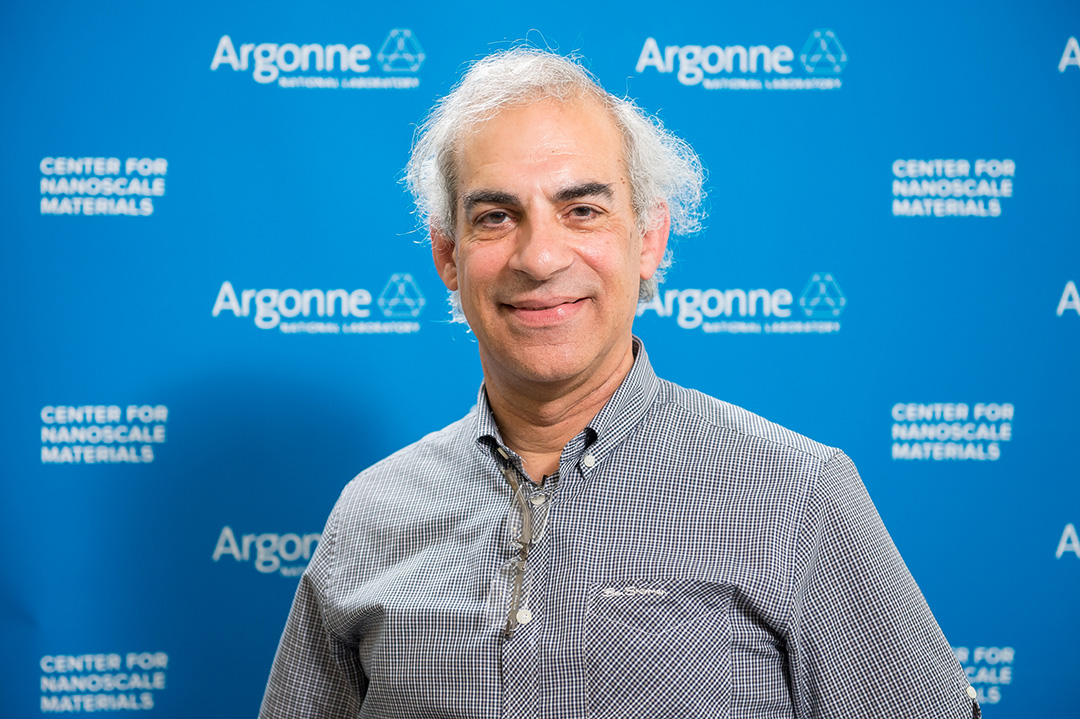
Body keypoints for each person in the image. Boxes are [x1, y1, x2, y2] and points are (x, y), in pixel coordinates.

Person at [260, 48, 980, 718]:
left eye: (582, 210)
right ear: (449, 257)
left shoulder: (797, 495)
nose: (539, 256)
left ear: (649, 238)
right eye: (495, 216)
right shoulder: (370, 514)